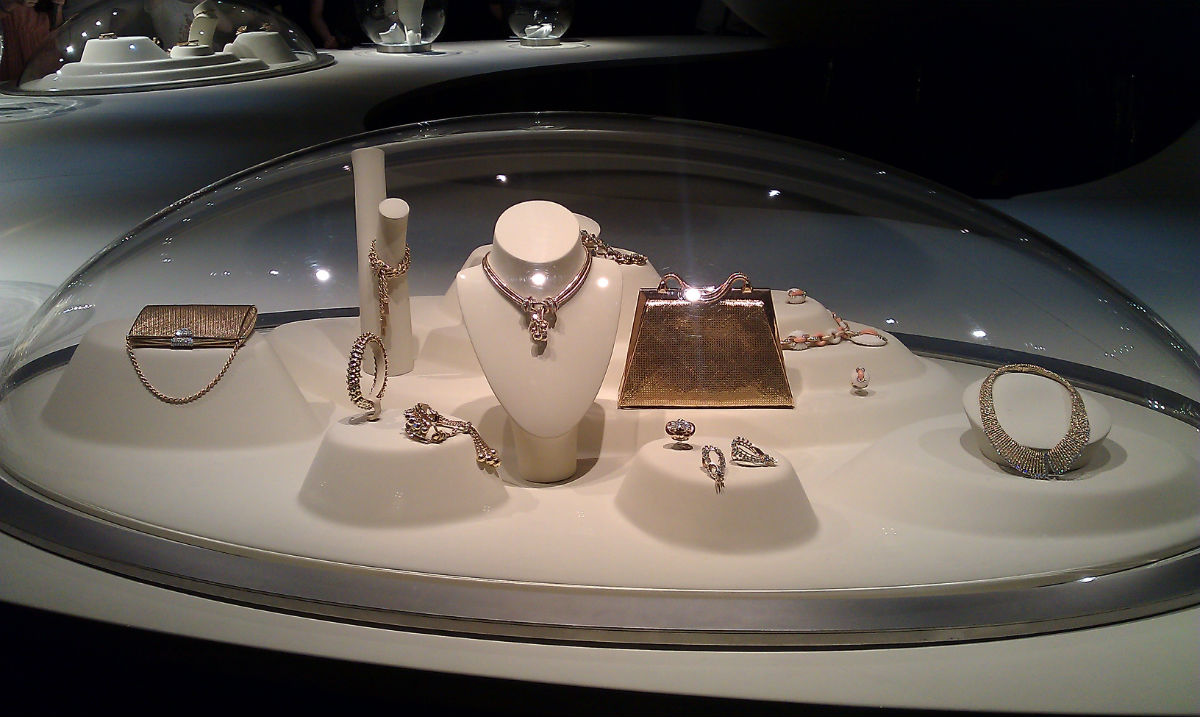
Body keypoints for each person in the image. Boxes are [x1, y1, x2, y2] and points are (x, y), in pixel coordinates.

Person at [0, 0, 63, 83]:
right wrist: (12, 3)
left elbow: (57, 29)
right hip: (13, 52)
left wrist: (58, 6)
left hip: (44, 57)